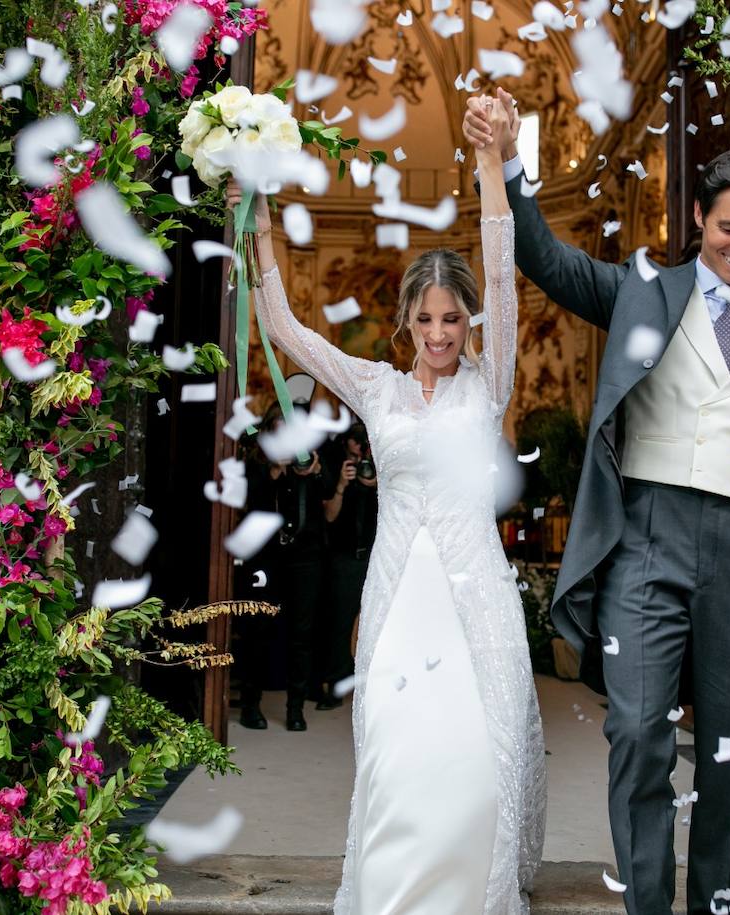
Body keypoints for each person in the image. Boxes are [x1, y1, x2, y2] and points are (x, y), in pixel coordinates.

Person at [464, 93, 730, 915]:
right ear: (699, 216)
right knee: (637, 732)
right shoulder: (642, 291)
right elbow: (548, 257)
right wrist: (510, 160)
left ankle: (716, 905)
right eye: (728, 229)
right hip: (644, 536)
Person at [227, 96, 546, 913]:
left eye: (452, 317)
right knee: (402, 757)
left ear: (468, 320)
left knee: (478, 755)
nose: (440, 332)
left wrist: (489, 164)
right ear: (405, 321)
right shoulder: (379, 389)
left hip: (476, 591)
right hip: (401, 596)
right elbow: (288, 331)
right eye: (426, 317)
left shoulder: (493, 381)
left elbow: (502, 264)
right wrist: (258, 223)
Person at [236, 402, 332, 732]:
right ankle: (250, 705)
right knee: (257, 630)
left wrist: (316, 472)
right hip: (265, 555)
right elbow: (246, 501)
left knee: (302, 635)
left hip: (305, 555)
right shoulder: (255, 459)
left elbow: (332, 491)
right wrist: (274, 472)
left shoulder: (310, 454)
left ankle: (295, 709)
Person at [314, 423, 378, 711]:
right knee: (339, 623)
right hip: (345, 557)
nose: (360, 446)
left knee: (378, 624)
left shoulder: (383, 470)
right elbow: (329, 516)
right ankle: (336, 683)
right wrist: (341, 484)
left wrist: (380, 483)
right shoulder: (337, 468)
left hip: (377, 557)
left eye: (364, 441)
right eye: (356, 440)